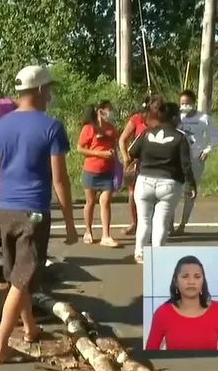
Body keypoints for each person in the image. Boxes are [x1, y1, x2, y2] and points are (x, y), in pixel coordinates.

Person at [0, 65, 78, 365]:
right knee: (22, 279)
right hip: (33, 211)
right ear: (38, 90)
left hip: (4, 210)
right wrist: (71, 223)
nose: (50, 93)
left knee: (15, 273)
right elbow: (59, 179)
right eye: (48, 88)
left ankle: (30, 328)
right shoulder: (51, 127)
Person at [125, 102, 197, 264]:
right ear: (173, 118)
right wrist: (191, 184)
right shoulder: (180, 137)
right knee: (161, 221)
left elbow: (131, 151)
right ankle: (157, 255)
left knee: (143, 220)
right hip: (169, 184)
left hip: (144, 182)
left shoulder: (146, 133)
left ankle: (139, 253)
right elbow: (186, 164)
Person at [145, 255, 218, 351]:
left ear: (203, 281)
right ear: (176, 282)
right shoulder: (162, 313)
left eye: (197, 277)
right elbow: (150, 351)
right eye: (185, 276)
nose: (191, 282)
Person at [173, 89, 218, 235]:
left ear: (193, 103)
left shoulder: (203, 118)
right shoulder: (176, 118)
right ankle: (169, 225)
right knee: (173, 191)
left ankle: (182, 224)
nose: (184, 106)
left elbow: (215, 136)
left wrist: (207, 150)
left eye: (187, 103)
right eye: (182, 103)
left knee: (190, 191)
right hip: (178, 159)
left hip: (195, 160)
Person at [118, 94, 163, 236]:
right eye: (156, 107)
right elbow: (122, 140)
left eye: (160, 107)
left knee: (158, 195)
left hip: (158, 162)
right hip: (137, 163)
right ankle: (135, 223)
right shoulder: (136, 119)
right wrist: (126, 158)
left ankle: (157, 225)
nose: (158, 110)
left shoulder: (163, 121)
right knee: (133, 194)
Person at [77, 100, 121, 248]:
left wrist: (117, 158)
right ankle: (88, 231)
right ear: (100, 111)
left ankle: (106, 235)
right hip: (91, 170)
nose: (111, 113)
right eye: (108, 110)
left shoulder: (111, 128)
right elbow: (80, 148)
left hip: (107, 171)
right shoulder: (88, 128)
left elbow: (115, 145)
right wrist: (99, 153)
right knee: (90, 202)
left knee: (105, 201)